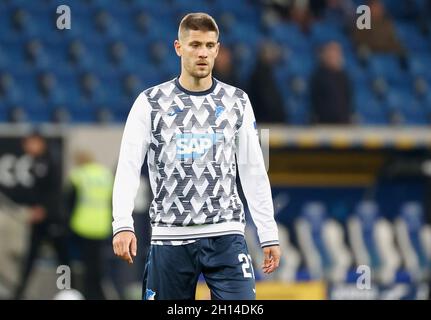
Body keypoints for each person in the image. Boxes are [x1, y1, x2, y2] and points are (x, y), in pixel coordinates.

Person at [112, 12, 281, 300]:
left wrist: (268, 232)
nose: (202, 53)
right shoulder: (150, 102)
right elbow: (128, 166)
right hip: (169, 238)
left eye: (209, 45)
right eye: (194, 45)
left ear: (217, 49)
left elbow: (254, 170)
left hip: (226, 235)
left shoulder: (238, 101)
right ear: (179, 47)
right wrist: (122, 224)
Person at [7, 131, 69, 299]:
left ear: (39, 142)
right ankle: (19, 293)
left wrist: (44, 209)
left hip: (53, 219)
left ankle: (69, 292)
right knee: (30, 258)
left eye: (30, 143)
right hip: (39, 220)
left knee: (63, 259)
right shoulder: (35, 162)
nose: (27, 147)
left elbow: (55, 191)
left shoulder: (50, 160)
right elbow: (35, 192)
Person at [65, 150, 114, 300]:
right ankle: (96, 293)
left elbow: (69, 202)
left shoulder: (78, 175)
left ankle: (83, 293)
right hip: (101, 226)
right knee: (96, 265)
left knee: (79, 264)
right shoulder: (105, 174)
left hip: (81, 226)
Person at [310, 41, 353, 124]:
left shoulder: (343, 76)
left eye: (336, 54)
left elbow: (348, 98)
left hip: (343, 122)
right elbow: (316, 101)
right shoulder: (318, 76)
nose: (333, 57)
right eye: (331, 53)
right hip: (325, 123)